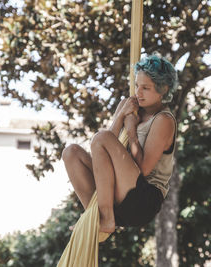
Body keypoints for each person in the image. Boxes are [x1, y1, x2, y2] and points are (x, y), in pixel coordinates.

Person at [61, 54, 178, 242]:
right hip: (117, 192)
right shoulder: (129, 104)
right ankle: (94, 215)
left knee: (102, 137)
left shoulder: (163, 120)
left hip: (143, 199)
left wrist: (131, 130)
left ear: (163, 89)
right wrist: (122, 114)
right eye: (137, 85)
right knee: (71, 152)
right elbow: (101, 148)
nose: (138, 92)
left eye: (145, 88)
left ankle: (106, 220)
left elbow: (144, 170)